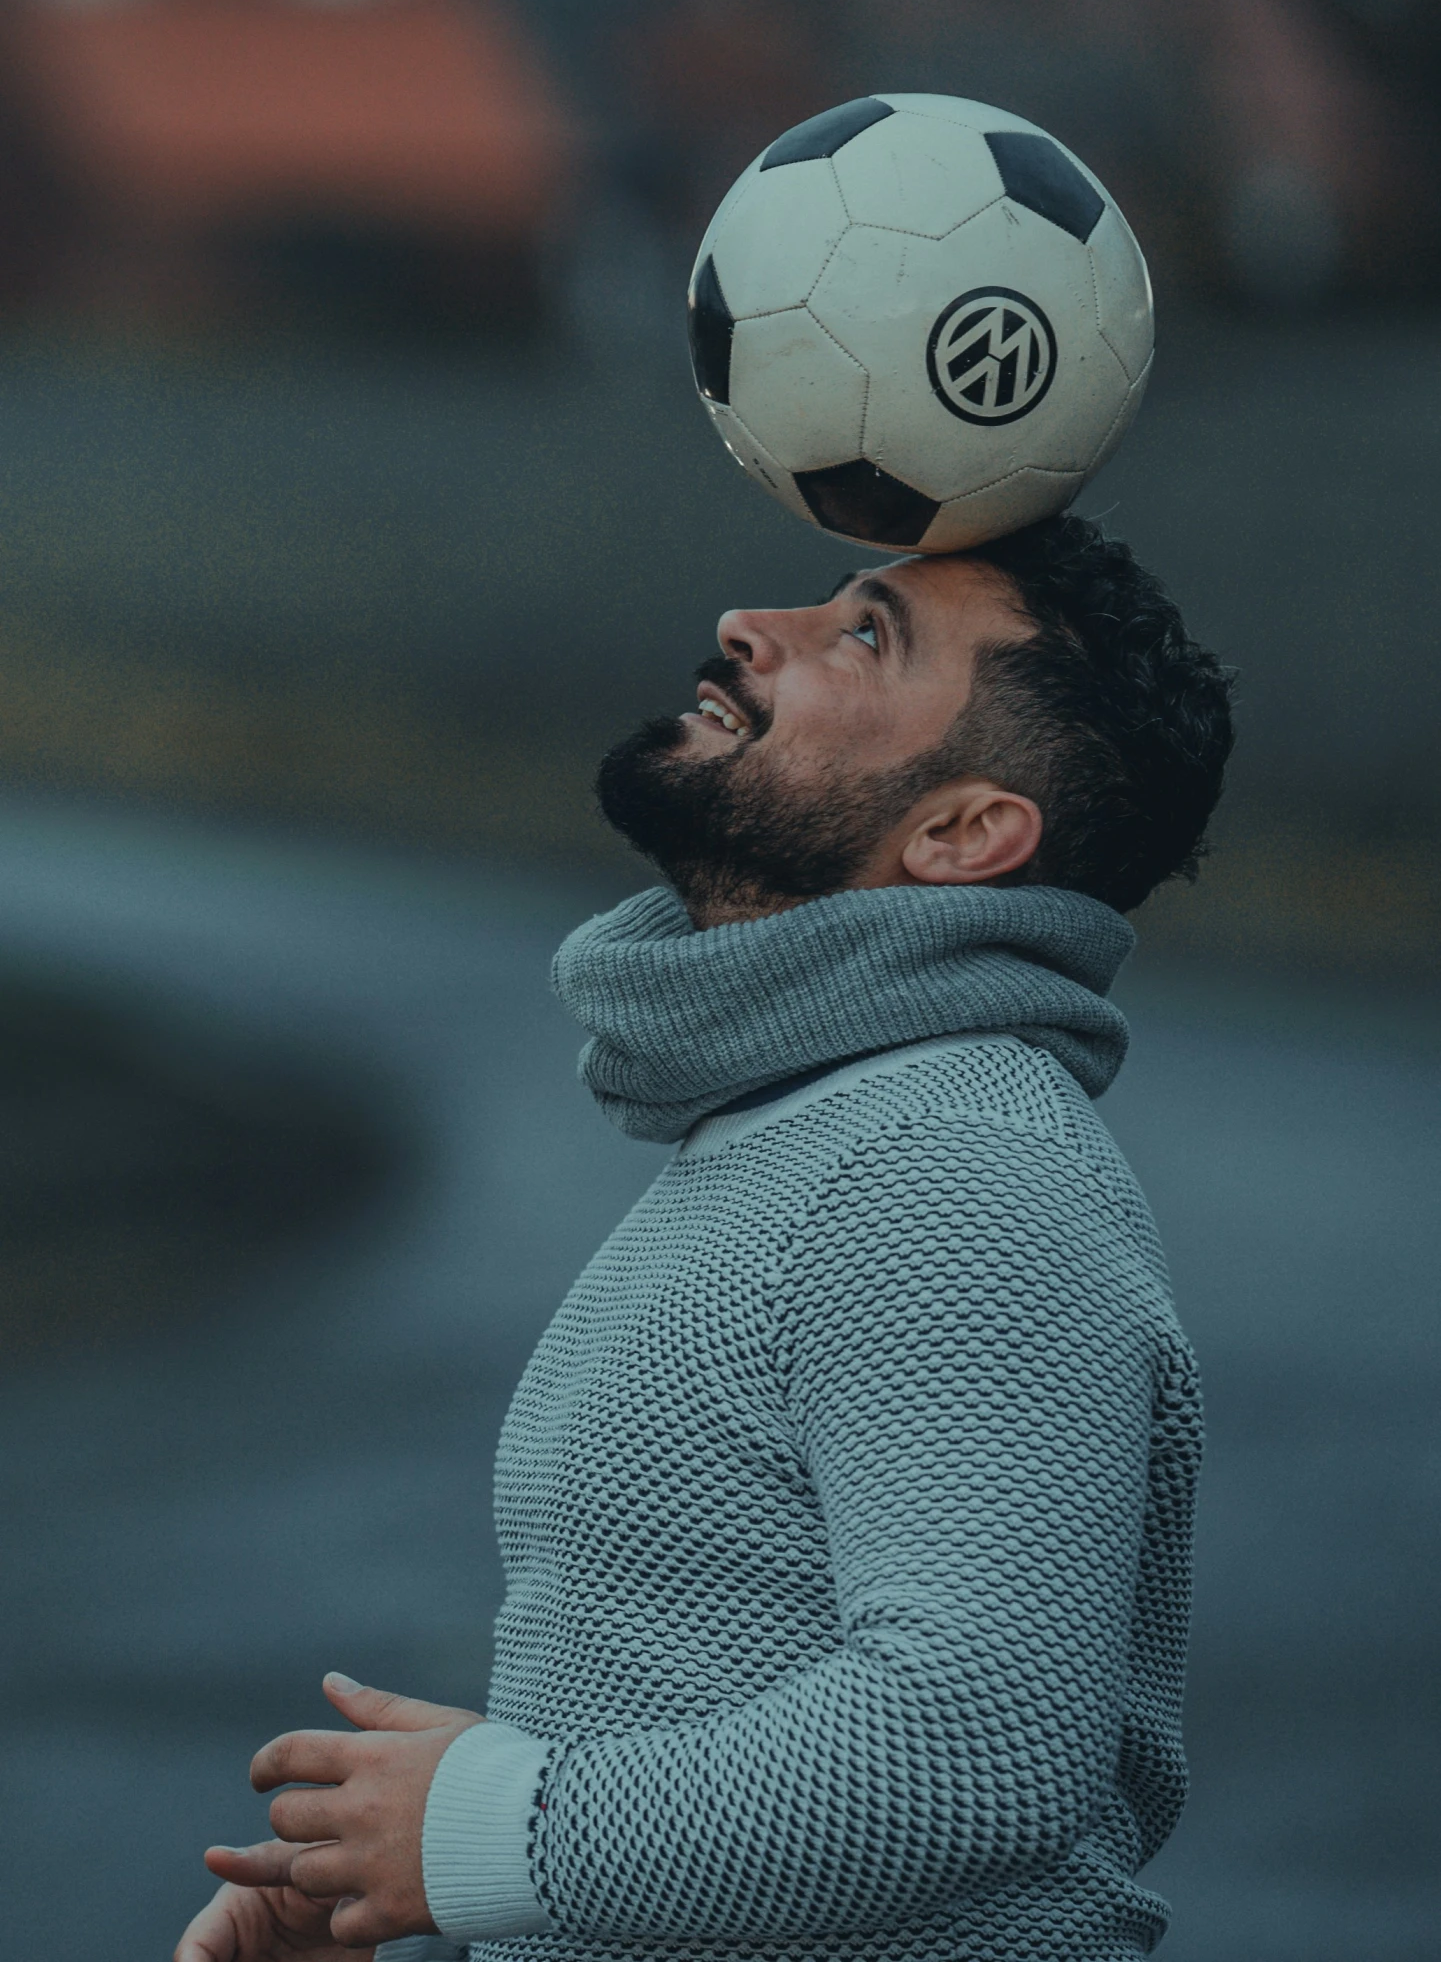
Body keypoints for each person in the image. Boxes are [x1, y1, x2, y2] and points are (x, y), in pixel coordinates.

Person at [175, 510, 1233, 1962]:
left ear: (962, 832)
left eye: (864, 635)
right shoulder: (807, 1127)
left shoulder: (953, 1164)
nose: (754, 626)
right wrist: (432, 1855)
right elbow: (737, 1685)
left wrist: (494, 1827)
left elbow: (976, 1739)